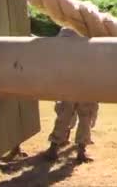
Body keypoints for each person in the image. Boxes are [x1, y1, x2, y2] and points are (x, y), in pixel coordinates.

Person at [44, 27, 100, 164]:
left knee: (77, 116)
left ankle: (68, 148)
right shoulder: (86, 29)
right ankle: (63, 147)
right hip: (76, 80)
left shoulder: (69, 31)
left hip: (78, 81)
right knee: (71, 115)